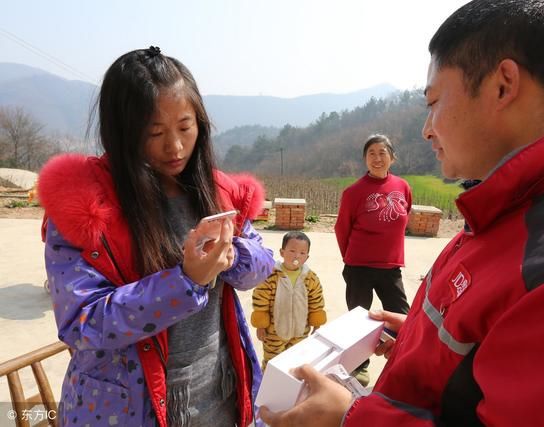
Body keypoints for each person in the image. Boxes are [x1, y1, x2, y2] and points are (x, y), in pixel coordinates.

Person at [259, 1, 544, 426]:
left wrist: (349, 417)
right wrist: (424, 339)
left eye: (434, 101)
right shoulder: (519, 202)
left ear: (502, 85)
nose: (427, 129)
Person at [37, 47, 275, 427]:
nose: (175, 147)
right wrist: (185, 281)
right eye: (155, 133)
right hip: (128, 408)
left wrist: (234, 254)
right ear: (122, 131)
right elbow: (82, 323)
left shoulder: (215, 190)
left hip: (220, 395)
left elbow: (263, 263)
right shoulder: (85, 206)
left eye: (185, 127)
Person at [334, 134, 412, 385]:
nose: (377, 158)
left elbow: (404, 215)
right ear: (365, 159)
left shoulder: (403, 187)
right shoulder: (353, 192)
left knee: (402, 315)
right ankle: (360, 365)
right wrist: (351, 258)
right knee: (359, 318)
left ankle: (405, 359)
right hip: (359, 267)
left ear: (392, 157)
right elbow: (341, 229)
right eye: (371, 153)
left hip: (391, 267)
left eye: (382, 153)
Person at [251, 231, 327, 370]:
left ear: (307, 257)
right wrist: (260, 325)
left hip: (300, 332)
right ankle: (269, 387)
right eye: (292, 251)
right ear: (282, 252)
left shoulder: (310, 278)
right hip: (273, 333)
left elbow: (316, 302)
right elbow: (261, 301)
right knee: (272, 363)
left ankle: (292, 388)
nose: (297, 255)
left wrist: (317, 325)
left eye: (302, 253)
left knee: (297, 362)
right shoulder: (270, 275)